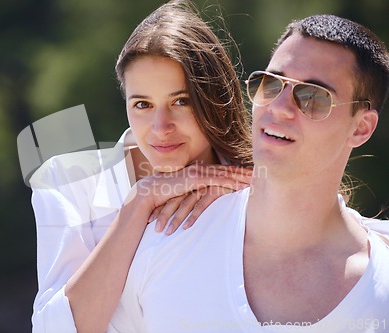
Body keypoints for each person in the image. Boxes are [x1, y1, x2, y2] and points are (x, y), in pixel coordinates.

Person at [108, 14, 389, 332]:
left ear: (361, 127)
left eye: (312, 97)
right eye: (272, 84)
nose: (279, 107)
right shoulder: (164, 238)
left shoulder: (381, 289)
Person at [29, 1, 253, 332]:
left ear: (216, 100)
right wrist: (138, 204)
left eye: (181, 101)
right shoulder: (68, 182)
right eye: (142, 105)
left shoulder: (256, 186)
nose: (161, 127)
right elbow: (56, 329)